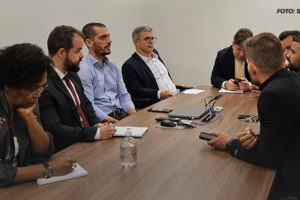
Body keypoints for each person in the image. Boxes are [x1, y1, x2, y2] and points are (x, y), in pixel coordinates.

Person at [207, 32, 300, 198]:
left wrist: (230, 143)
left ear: (251, 68)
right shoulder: (293, 80)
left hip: (291, 185)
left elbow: (269, 159)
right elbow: (285, 130)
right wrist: (260, 139)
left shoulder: (272, 95)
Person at [0, 43, 74, 187]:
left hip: (21, 187)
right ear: (8, 85)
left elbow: (44, 152)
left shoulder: (28, 102)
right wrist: (47, 170)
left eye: (42, 86)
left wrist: (29, 118)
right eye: (33, 88)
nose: (38, 94)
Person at [39, 25, 116, 152]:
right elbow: (55, 129)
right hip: (70, 149)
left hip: (88, 142)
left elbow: (86, 104)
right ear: (62, 53)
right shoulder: (44, 85)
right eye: (77, 51)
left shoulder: (73, 74)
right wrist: (95, 132)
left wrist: (97, 124)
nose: (81, 56)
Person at [78, 23, 136, 123]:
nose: (109, 41)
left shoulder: (113, 66)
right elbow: (89, 105)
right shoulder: (84, 69)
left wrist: (135, 117)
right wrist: (117, 124)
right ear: (89, 43)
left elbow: (123, 96)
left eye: (109, 36)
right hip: (104, 120)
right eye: (103, 37)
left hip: (122, 114)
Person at [122, 26, 186, 109]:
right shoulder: (130, 65)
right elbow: (135, 91)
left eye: (152, 38)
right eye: (147, 39)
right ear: (136, 42)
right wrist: (159, 94)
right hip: (157, 105)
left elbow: (160, 76)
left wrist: (172, 83)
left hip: (175, 98)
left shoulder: (156, 54)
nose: (151, 41)